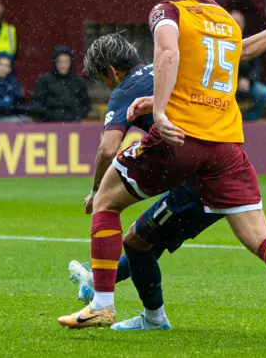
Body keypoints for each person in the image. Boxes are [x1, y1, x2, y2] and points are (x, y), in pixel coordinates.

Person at [58, 0, 266, 344]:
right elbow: (232, 57)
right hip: (226, 144)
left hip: (182, 139)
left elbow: (168, 52)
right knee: (260, 235)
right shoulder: (224, 21)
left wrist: (157, 112)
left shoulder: (168, 12)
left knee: (105, 202)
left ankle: (102, 302)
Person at [66, 34, 224, 323]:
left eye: (104, 79)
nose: (108, 85)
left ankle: (150, 317)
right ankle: (100, 286)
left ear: (112, 71)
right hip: (223, 162)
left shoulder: (126, 88)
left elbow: (108, 149)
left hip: (199, 182)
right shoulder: (163, 68)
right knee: (145, 242)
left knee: (137, 242)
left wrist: (96, 190)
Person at [230, 9, 266, 121]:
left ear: (243, 24)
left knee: (264, 94)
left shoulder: (250, 41)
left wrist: (248, 80)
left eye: (238, 22)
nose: (236, 25)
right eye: (233, 22)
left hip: (248, 84)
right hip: (228, 83)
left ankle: (249, 121)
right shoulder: (223, 40)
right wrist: (237, 80)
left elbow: (257, 67)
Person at [31, 45, 91, 122]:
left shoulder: (78, 82)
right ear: (55, 62)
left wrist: (77, 115)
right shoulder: (44, 81)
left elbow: (86, 105)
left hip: (74, 126)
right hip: (49, 126)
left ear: (71, 62)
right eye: (60, 62)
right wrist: (49, 114)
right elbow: (36, 104)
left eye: (66, 62)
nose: (63, 65)